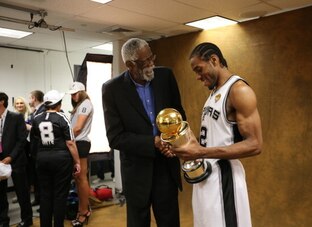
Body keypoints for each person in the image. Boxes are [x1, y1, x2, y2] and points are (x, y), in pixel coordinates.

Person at [170, 42, 263, 227]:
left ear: (214, 60)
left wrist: (201, 152)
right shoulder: (214, 93)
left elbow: (255, 144)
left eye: (199, 69)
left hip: (225, 179)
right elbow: (213, 136)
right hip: (206, 176)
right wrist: (186, 143)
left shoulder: (238, 90)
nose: (197, 77)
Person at [102, 38, 186, 227]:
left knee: (170, 221)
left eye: (151, 58)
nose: (151, 64)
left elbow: (178, 115)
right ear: (130, 64)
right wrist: (153, 142)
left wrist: (173, 142)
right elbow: (115, 138)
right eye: (145, 62)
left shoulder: (165, 77)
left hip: (165, 167)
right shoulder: (112, 89)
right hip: (136, 172)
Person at [31, 90, 81, 227]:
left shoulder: (37, 118)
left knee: (45, 195)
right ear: (58, 104)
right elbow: (70, 143)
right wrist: (77, 162)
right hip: (61, 160)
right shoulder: (62, 118)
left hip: (42, 159)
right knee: (60, 195)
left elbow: (35, 138)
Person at [0, 92, 33, 227]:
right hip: (0, 161)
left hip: (16, 160)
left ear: (1, 101)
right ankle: (3, 221)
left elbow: (21, 140)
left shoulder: (16, 117)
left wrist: (11, 157)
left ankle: (27, 219)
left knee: (22, 192)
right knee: (1, 194)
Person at [67, 81, 94, 227]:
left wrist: (64, 137)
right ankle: (83, 208)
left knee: (81, 177)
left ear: (82, 92)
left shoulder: (86, 104)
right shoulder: (79, 106)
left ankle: (84, 212)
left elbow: (77, 128)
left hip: (81, 143)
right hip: (76, 143)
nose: (73, 96)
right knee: (78, 178)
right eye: (71, 94)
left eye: (75, 93)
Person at [28, 90, 46, 207]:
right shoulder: (35, 111)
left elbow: (39, 129)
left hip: (40, 148)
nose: (28, 100)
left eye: (29, 97)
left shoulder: (42, 110)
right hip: (34, 148)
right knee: (36, 176)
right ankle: (38, 199)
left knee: (41, 177)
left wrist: (28, 127)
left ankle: (43, 202)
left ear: (34, 98)